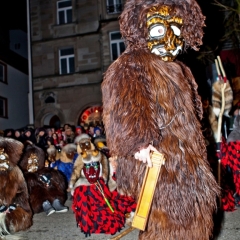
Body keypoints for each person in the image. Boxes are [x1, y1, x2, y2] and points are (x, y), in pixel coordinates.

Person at [101, 1, 220, 240]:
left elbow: (194, 112)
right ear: (143, 31)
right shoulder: (131, 64)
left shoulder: (180, 69)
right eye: (158, 30)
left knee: (195, 209)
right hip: (156, 154)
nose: (169, 39)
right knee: (163, 215)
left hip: (187, 154)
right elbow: (125, 105)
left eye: (175, 31)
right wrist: (138, 144)